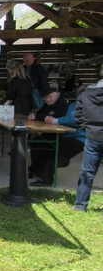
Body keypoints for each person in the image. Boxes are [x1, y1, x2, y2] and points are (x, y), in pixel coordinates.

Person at [28, 85, 86, 186]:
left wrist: (55, 120)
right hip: (69, 135)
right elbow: (66, 118)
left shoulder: (90, 106)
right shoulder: (74, 105)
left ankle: (46, 180)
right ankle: (36, 171)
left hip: (81, 138)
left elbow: (74, 120)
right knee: (48, 148)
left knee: (56, 153)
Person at [72, 68, 103, 211]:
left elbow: (77, 114)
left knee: (87, 172)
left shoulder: (86, 92)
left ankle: (80, 205)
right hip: (93, 134)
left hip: (92, 136)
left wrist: (86, 128)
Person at [27, 86, 69, 185]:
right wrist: (38, 115)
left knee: (37, 144)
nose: (48, 99)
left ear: (57, 94)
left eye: (50, 97)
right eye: (45, 98)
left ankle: (36, 170)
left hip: (59, 134)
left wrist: (40, 116)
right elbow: (41, 113)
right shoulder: (49, 103)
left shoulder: (61, 104)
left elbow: (50, 117)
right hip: (50, 132)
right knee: (35, 143)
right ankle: (35, 170)